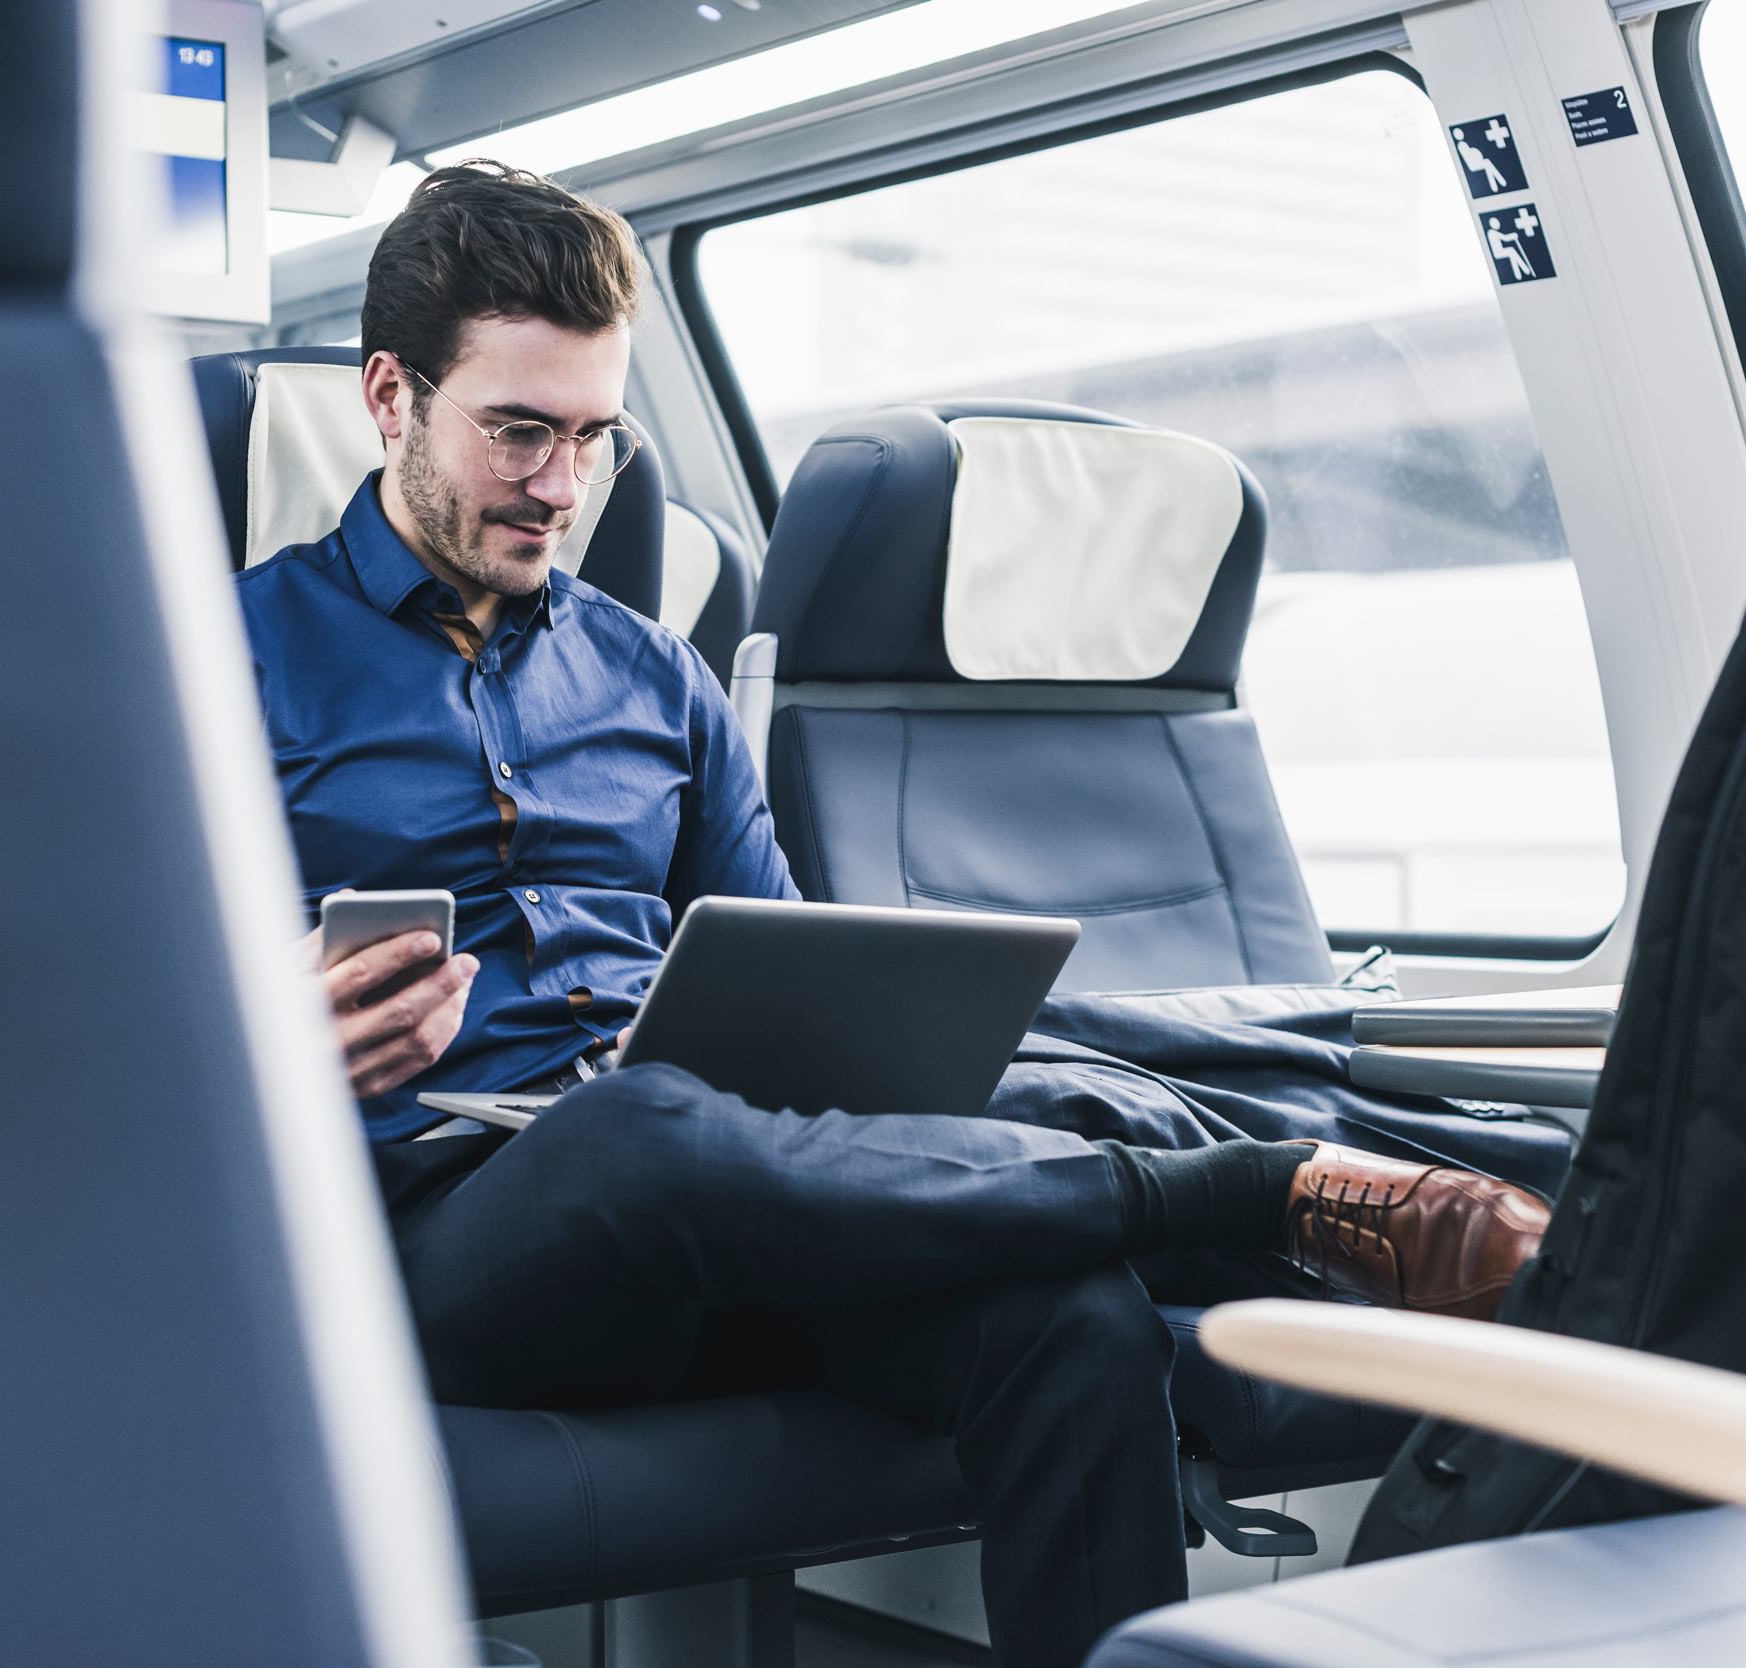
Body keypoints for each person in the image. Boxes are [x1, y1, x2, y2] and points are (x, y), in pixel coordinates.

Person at [240, 161, 1552, 1667]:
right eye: (519, 432)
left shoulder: (653, 675)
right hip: (438, 1238)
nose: (561, 488)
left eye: (596, 440)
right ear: (392, 395)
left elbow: (790, 981)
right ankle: (1250, 1193)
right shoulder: (216, 660)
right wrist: (248, 1043)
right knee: (633, 1132)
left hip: (726, 1208)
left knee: (1070, 1323)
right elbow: (50, 1046)